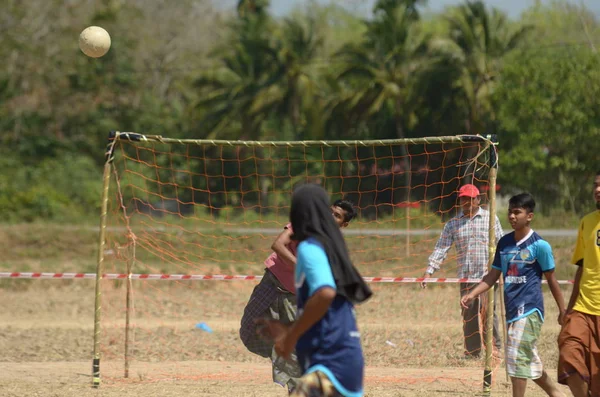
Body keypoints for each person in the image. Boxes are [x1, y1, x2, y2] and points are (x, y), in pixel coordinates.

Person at [258, 183, 372, 397]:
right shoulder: (336, 250)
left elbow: (325, 294)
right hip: (347, 356)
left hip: (330, 360)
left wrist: (291, 335)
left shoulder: (312, 248)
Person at [239, 198, 357, 392]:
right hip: (270, 285)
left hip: (294, 299)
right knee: (248, 335)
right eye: (330, 211)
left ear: (343, 224)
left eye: (336, 216)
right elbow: (278, 245)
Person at [461, 193, 566, 397]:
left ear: (529, 216)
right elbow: (492, 276)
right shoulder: (504, 243)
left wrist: (563, 310)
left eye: (517, 212)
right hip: (512, 311)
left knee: (517, 357)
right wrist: (472, 294)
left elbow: (552, 280)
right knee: (528, 360)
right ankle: (557, 394)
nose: (512, 216)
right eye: (510, 212)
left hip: (530, 310)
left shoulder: (540, 245)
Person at [421, 183, 503, 358]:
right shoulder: (453, 224)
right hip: (466, 278)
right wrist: (429, 271)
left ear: (478, 200)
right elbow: (441, 248)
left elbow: (501, 243)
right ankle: (472, 353)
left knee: (489, 313)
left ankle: (495, 350)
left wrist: (505, 269)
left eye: (470, 199)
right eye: (463, 199)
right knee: (469, 315)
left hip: (488, 277)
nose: (466, 202)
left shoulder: (491, 218)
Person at [558, 171, 600, 397]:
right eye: (595, 185)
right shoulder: (587, 222)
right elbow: (582, 268)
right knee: (569, 353)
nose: (597, 189)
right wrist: (569, 309)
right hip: (583, 308)